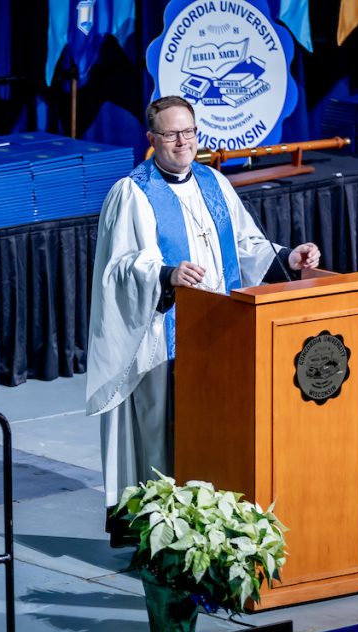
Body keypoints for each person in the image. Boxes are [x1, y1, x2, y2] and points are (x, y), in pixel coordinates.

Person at [85, 95, 321, 545]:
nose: (182, 142)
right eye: (171, 134)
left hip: (219, 333)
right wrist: (166, 274)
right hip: (162, 335)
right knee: (164, 430)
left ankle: (207, 522)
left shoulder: (214, 182)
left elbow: (247, 246)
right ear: (152, 139)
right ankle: (158, 528)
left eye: (189, 132)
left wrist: (289, 256)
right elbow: (117, 269)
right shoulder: (132, 193)